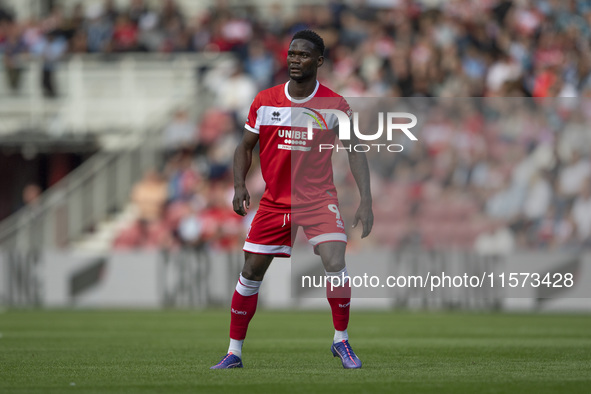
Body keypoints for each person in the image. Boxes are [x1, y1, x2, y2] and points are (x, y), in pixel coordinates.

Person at [210, 30, 373, 370]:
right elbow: (244, 146)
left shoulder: (335, 104)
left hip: (318, 200)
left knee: (334, 258)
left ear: (319, 61)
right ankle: (233, 352)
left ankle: (340, 341)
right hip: (275, 202)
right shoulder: (265, 100)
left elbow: (355, 150)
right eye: (292, 54)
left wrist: (366, 200)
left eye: (303, 55)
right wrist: (239, 184)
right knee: (251, 271)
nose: (295, 59)